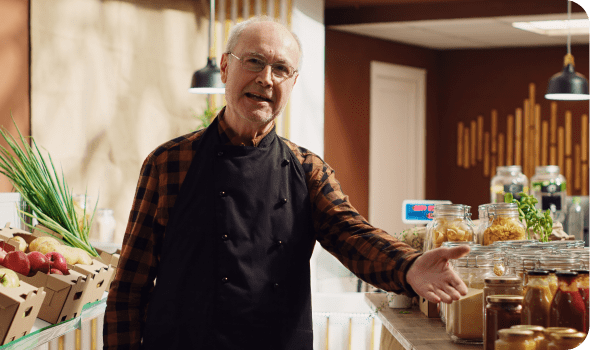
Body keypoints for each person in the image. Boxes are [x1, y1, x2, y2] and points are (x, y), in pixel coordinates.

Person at [103, 16, 470, 350]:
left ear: (292, 83)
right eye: (255, 61)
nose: (266, 78)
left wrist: (408, 266)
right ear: (227, 67)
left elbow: (352, 234)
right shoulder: (169, 163)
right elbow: (130, 284)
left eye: (281, 69)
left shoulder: (307, 169)